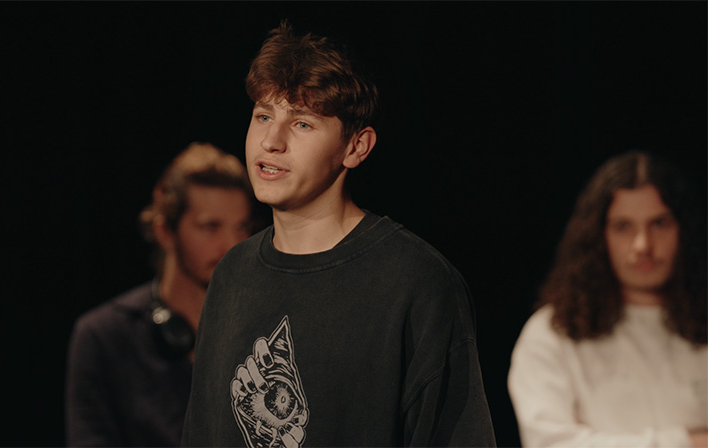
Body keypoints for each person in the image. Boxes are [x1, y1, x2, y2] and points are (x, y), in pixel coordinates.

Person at [181, 22, 496, 448]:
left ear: (356, 147)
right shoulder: (232, 273)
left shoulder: (415, 282)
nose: (271, 141)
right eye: (263, 116)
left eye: (302, 124)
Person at [507, 151, 707, 447]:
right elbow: (551, 443)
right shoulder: (553, 333)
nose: (643, 245)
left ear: (684, 230)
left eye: (659, 223)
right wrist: (690, 442)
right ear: (598, 236)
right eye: (624, 227)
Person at [66, 142, 256, 447]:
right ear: (165, 232)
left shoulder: (262, 329)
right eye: (210, 227)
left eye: (241, 227)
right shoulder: (104, 337)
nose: (232, 245)